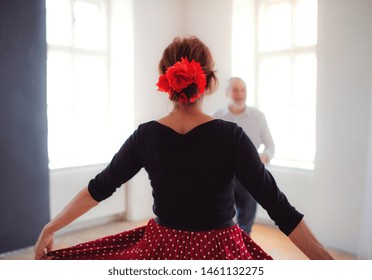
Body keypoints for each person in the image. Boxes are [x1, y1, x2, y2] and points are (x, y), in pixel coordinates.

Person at [34, 36, 334, 260]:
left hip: (162, 249)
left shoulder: (146, 136)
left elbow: (98, 188)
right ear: (210, 82)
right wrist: (329, 264)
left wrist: (50, 227)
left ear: (166, 81)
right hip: (221, 252)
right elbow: (280, 208)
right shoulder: (231, 136)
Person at [212, 77, 275, 235]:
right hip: (222, 177)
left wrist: (263, 157)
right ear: (227, 93)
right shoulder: (216, 116)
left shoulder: (258, 116)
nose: (240, 94)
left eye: (243, 90)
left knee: (245, 224)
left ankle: (241, 255)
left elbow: (270, 147)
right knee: (222, 221)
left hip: (250, 177)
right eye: (235, 90)